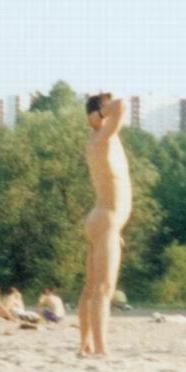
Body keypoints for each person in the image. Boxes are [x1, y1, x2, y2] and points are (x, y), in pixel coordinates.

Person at [79, 92, 132, 357]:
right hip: (106, 221)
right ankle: (100, 348)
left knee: (92, 288)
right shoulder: (102, 137)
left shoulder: (104, 138)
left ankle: (86, 344)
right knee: (104, 288)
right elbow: (122, 105)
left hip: (105, 221)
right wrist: (99, 113)